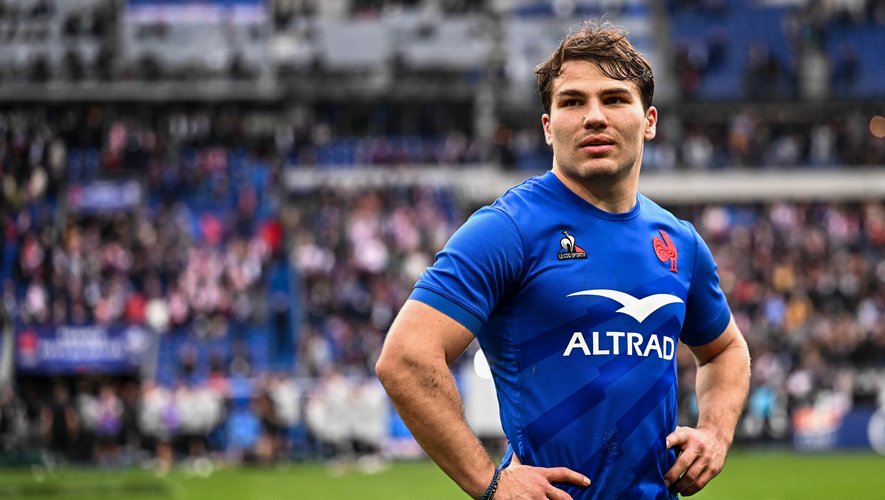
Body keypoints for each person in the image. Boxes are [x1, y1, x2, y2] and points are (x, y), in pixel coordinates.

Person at [375, 19, 751, 500]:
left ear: (649, 120)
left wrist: (715, 433)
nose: (594, 116)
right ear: (549, 128)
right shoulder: (507, 229)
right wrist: (490, 482)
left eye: (614, 98)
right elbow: (405, 357)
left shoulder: (680, 242)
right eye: (573, 102)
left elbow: (725, 351)